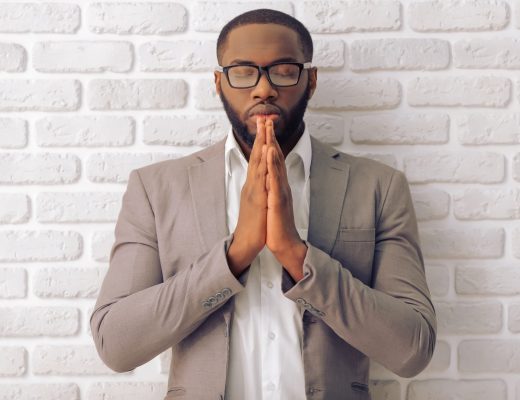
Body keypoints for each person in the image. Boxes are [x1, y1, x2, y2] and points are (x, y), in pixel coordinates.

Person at [90, 9, 436, 400]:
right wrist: (235, 255)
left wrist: (296, 255)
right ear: (218, 83)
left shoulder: (378, 186)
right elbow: (116, 345)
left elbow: (412, 350)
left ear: (311, 80)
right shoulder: (156, 189)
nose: (263, 89)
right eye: (242, 71)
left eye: (284, 70)